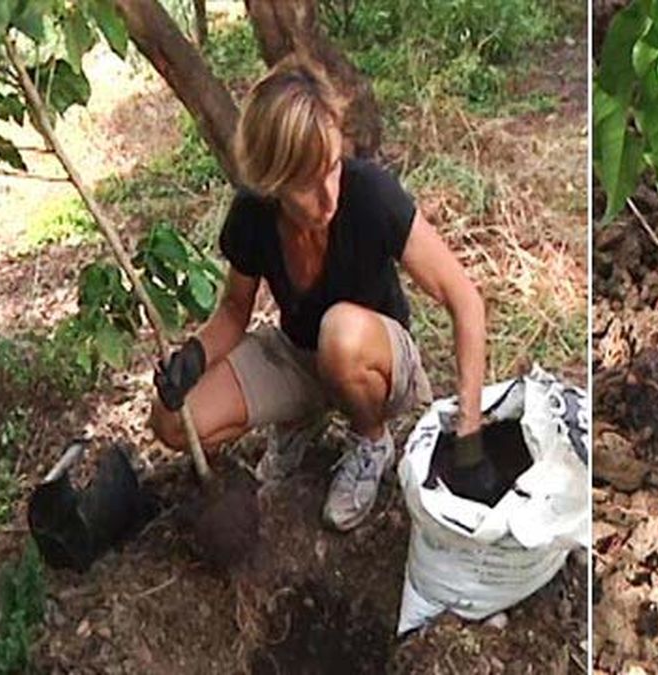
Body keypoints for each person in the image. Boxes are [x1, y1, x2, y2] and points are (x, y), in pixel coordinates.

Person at [148, 55, 495, 531]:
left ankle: (371, 439)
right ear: (273, 183)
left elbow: (464, 298)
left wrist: (470, 437)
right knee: (169, 421)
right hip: (297, 355)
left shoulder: (370, 194)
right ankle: (298, 420)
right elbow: (234, 311)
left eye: (332, 168)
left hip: (377, 361)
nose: (329, 197)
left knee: (341, 334)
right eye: (307, 186)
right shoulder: (253, 214)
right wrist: (191, 357)